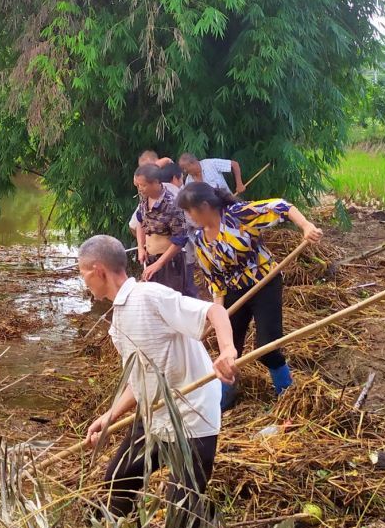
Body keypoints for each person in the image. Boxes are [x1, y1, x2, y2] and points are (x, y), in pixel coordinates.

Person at [77, 234, 240, 528]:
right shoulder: (118, 320)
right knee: (118, 480)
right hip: (155, 419)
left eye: (82, 275)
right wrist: (110, 415)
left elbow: (213, 312)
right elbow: (140, 379)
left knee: (184, 507)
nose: (83, 282)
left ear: (97, 270)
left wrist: (227, 351)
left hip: (192, 417)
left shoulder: (149, 297)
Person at [177, 183, 323, 409]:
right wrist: (220, 313)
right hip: (232, 292)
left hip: (264, 283)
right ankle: (224, 397)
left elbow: (281, 206)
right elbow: (214, 279)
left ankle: (287, 393)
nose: (189, 216)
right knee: (228, 348)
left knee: (268, 346)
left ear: (204, 206)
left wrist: (306, 226)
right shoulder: (199, 239)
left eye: (190, 210)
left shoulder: (238, 216)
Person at [133, 163, 196, 295]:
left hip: (169, 263)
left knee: (170, 301)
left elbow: (180, 239)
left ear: (156, 182)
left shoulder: (172, 204)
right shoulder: (144, 198)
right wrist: (140, 247)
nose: (140, 189)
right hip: (150, 259)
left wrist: (159, 264)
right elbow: (140, 220)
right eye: (138, 185)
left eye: (143, 185)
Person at [178, 153, 245, 195]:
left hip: (228, 205)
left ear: (193, 163)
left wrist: (239, 184)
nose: (184, 171)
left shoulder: (211, 163)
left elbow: (234, 164)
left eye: (185, 168)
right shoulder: (188, 181)